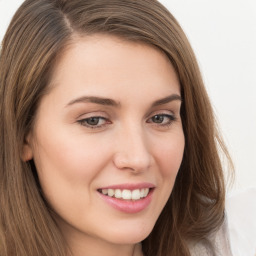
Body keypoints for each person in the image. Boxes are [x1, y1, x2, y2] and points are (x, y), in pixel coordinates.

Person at [0, 0, 234, 255]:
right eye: (94, 120)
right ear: (23, 134)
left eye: (160, 118)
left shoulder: (238, 239)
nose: (138, 158)